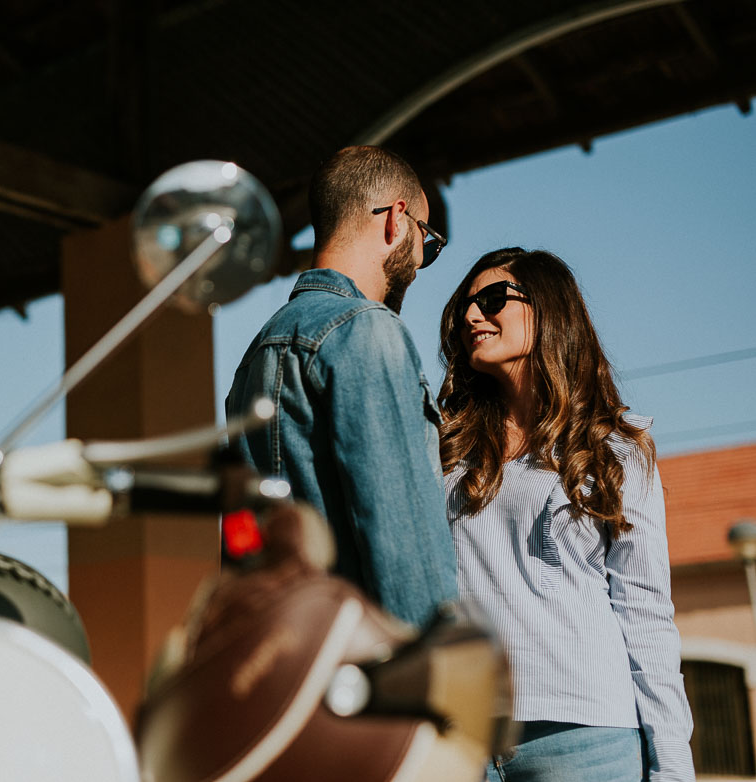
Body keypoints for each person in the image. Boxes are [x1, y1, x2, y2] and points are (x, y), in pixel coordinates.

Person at [438, 247, 694, 781]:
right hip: (460, 739)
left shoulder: (615, 448)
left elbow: (645, 614)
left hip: (585, 741)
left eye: (491, 300)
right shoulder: (446, 451)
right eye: (464, 306)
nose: (470, 316)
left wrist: (672, 767)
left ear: (549, 311)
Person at [225, 145, 457, 628]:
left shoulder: (257, 354)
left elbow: (242, 541)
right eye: (427, 241)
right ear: (397, 220)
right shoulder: (368, 331)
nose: (419, 263)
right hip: (362, 665)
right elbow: (401, 533)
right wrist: (436, 669)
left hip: (283, 656)